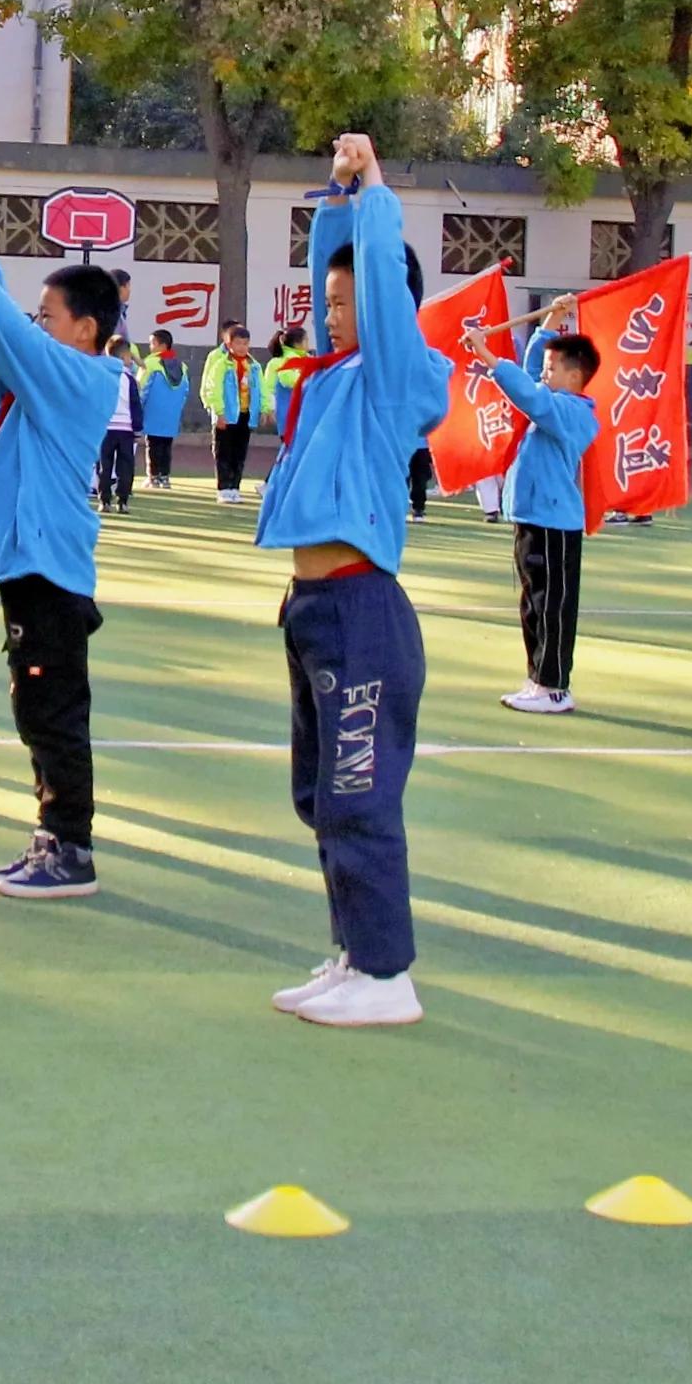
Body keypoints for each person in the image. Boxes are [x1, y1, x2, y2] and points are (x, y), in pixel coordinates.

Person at [260, 136, 453, 1029]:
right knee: (322, 796)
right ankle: (354, 954)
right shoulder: (333, 378)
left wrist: (373, 194)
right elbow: (332, 280)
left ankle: (387, 976)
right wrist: (334, 206)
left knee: (358, 789)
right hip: (314, 609)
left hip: (362, 610)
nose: (333, 316)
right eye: (327, 302)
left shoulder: (399, 379)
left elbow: (378, 296)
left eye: (348, 303)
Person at [0, 231, 125, 898]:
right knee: (36, 707)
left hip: (49, 571)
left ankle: (70, 849)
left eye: (49, 316)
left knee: (53, 712)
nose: (38, 326)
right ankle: (53, 838)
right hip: (33, 565)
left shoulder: (79, 377)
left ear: (85, 330)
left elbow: (5, 336)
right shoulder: (55, 377)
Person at [485, 300, 604, 714]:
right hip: (532, 516)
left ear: (575, 376)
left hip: (555, 523)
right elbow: (535, 367)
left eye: (553, 370)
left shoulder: (572, 413)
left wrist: (491, 359)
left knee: (552, 605)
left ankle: (554, 686)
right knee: (533, 602)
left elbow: (531, 395)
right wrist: (552, 320)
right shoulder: (555, 400)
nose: (544, 373)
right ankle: (538, 679)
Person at [203, 322, 261, 504]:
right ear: (229, 344)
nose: (242, 347)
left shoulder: (254, 366)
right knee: (224, 451)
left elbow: (262, 389)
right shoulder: (221, 364)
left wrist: (265, 408)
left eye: (245, 343)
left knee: (239, 452)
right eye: (238, 343)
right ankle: (223, 488)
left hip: (245, 414)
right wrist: (218, 412)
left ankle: (235, 487)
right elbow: (213, 389)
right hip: (227, 414)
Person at [95, 349, 143, 515]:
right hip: (125, 429)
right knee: (125, 466)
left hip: (106, 428)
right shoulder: (128, 378)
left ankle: (105, 500)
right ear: (122, 357)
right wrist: (137, 428)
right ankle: (122, 501)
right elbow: (135, 404)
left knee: (104, 465)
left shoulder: (102, 375)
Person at [137, 337, 188, 490]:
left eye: (153, 343)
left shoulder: (150, 364)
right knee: (166, 445)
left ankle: (152, 477)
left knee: (152, 444)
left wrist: (138, 408)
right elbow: (185, 391)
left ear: (162, 345)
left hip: (153, 411)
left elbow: (142, 388)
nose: (150, 346)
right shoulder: (182, 366)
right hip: (171, 413)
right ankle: (164, 477)